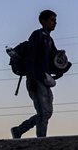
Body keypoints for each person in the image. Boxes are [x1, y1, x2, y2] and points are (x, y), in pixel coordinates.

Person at [12, 10, 60, 139]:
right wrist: (32, 78)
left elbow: (53, 60)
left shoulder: (49, 39)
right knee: (43, 112)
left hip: (45, 79)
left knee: (47, 112)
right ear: (43, 21)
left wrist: (61, 69)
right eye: (52, 20)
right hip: (36, 79)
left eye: (55, 20)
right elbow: (30, 58)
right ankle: (41, 140)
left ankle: (19, 130)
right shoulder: (37, 35)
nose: (55, 23)